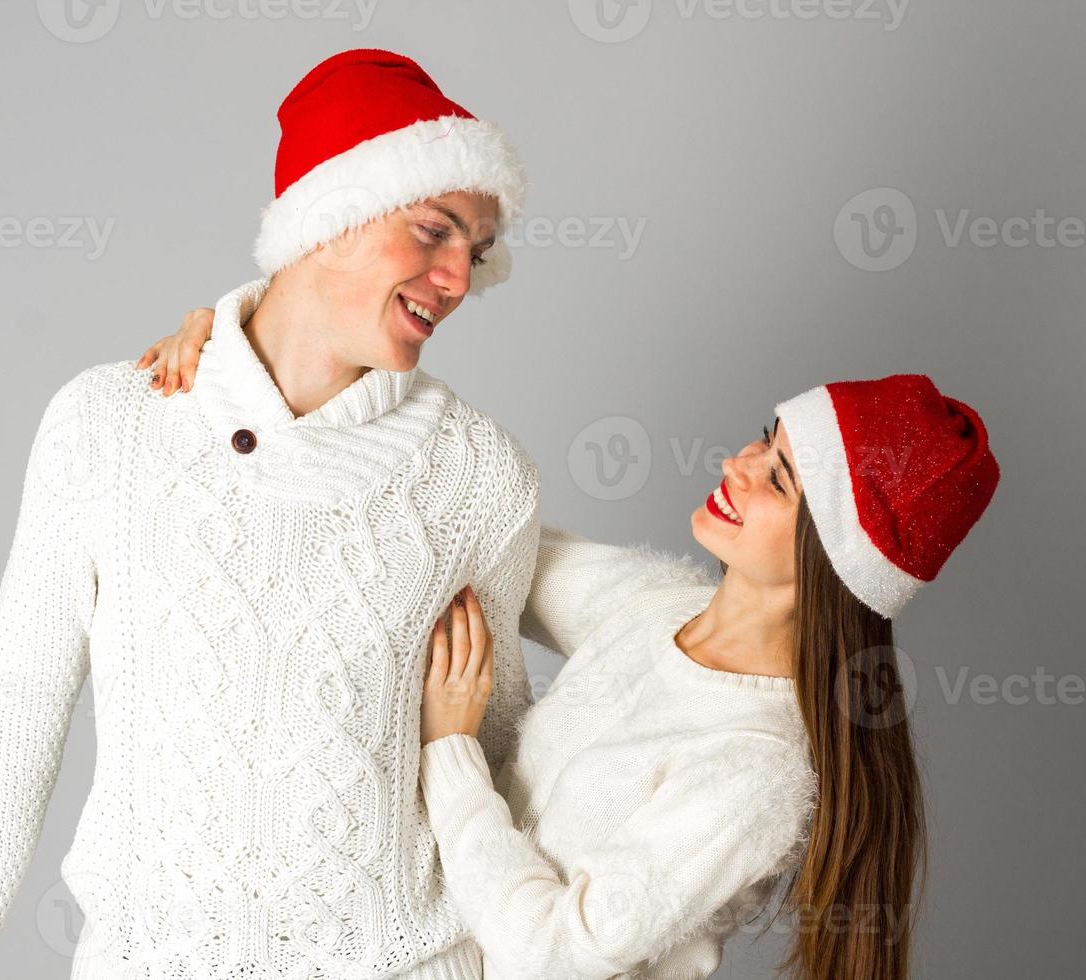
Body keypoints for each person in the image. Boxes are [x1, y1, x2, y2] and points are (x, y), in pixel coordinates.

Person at [0, 49, 542, 980]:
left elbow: (505, 769)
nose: (458, 277)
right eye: (434, 232)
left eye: (475, 252)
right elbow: (13, 723)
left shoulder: (479, 475)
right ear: (331, 217)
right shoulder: (112, 425)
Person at [141, 314, 1001, 980]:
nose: (739, 465)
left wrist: (449, 749)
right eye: (766, 439)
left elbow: (553, 956)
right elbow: (478, 523)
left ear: (836, 561)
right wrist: (261, 358)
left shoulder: (757, 770)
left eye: (778, 480)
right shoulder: (657, 606)